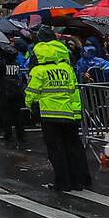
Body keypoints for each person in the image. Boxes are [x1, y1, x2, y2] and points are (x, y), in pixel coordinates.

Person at [25, 38, 93, 192]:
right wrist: (76, 114)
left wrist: (29, 106)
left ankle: (63, 182)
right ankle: (80, 180)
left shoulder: (39, 71)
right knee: (74, 148)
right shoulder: (66, 69)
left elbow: (32, 93)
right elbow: (74, 92)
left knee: (56, 151)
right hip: (69, 114)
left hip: (49, 115)